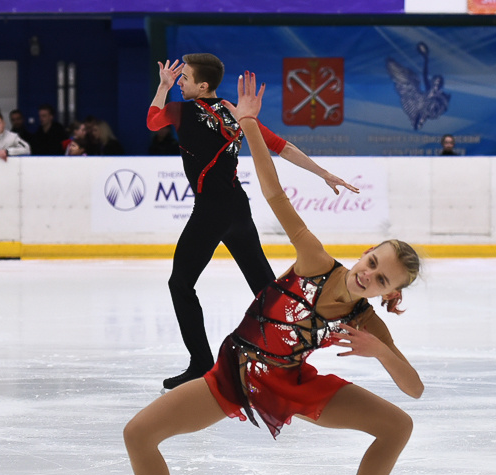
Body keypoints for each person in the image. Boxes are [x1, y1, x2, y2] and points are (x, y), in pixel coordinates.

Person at [111, 71, 422, 475]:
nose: (367, 272)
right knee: (139, 434)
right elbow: (275, 195)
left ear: (387, 291)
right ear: (366, 250)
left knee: (397, 426)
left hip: (291, 382)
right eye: (372, 260)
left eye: (381, 278)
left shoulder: (363, 320)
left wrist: (379, 351)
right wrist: (250, 125)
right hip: (237, 372)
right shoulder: (316, 260)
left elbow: (413, 389)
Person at [147, 54, 358, 391]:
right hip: (237, 208)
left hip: (211, 211)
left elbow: (153, 122)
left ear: (203, 85)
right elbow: (281, 147)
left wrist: (162, 88)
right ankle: (291, 357)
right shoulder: (236, 112)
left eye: (184, 77)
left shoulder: (182, 110)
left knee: (180, 284)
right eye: (177, 78)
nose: (179, 81)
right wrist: (323, 173)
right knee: (264, 289)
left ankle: (202, 364)